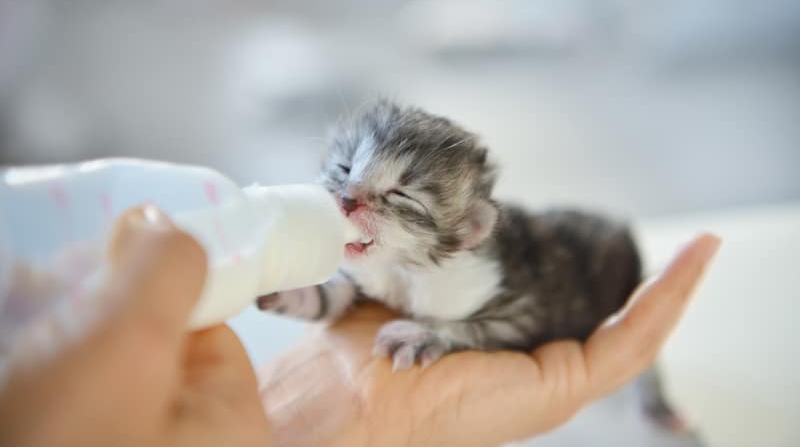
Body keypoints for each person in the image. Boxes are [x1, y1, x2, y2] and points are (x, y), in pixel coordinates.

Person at [0, 206, 721, 447]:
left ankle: (651, 396)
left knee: (632, 344)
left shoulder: (476, 275)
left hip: (587, 267)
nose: (348, 205)